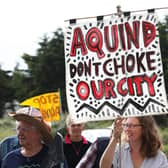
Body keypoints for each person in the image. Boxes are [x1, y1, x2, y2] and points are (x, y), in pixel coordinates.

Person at [100, 116, 168, 168]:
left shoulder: (159, 157)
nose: (127, 129)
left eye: (131, 126)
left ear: (144, 128)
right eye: (125, 125)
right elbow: (103, 166)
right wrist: (114, 138)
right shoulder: (119, 150)